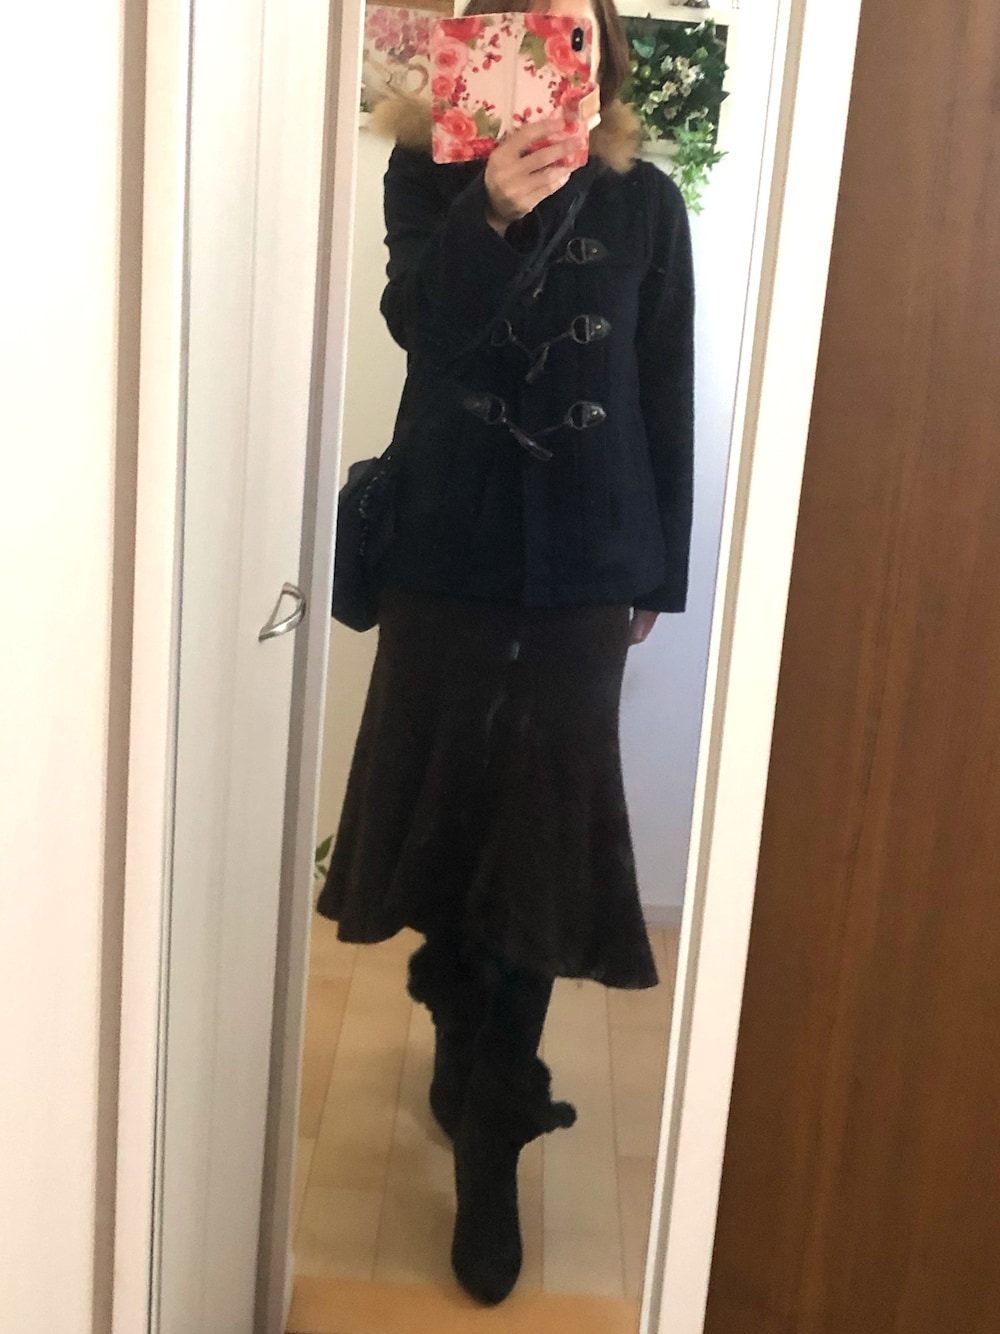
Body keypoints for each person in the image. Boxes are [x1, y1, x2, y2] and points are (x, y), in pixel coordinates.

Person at [317, 0, 694, 1305]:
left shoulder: (646, 202)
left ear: (600, 49)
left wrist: (660, 572)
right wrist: (484, 212)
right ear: (470, 51)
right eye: (516, 28)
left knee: (538, 842)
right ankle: (457, 1015)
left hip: (588, 567)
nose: (542, 55)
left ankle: (491, 1124)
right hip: (449, 558)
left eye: (566, 30)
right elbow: (419, 327)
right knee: (446, 817)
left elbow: (662, 386)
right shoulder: (424, 177)